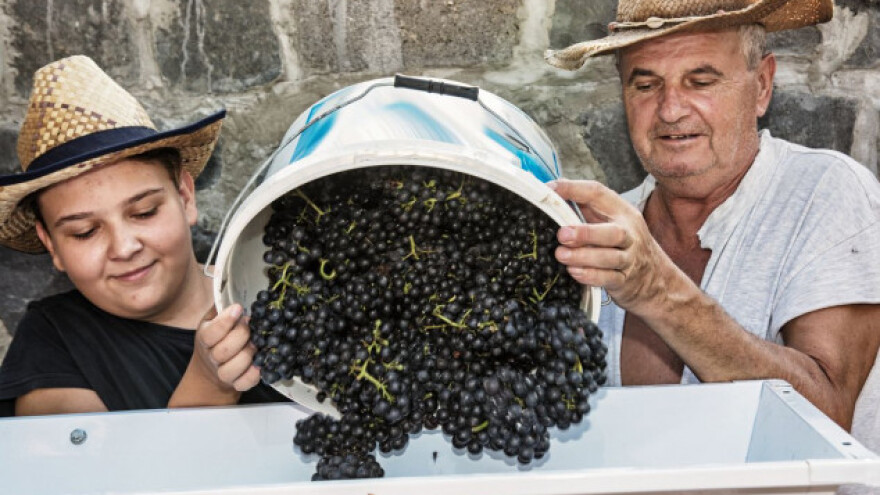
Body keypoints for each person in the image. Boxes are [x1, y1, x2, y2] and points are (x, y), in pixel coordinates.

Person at [544, 0, 880, 441]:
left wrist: (658, 291)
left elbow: (826, 417)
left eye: (700, 81)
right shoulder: (598, 232)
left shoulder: (824, 190)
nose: (670, 110)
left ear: (761, 85)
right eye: (645, 85)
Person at [0, 55, 287, 416]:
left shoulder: (282, 291)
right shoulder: (54, 339)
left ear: (185, 197)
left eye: (144, 212)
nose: (124, 248)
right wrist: (208, 385)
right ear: (50, 244)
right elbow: (84, 472)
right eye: (84, 232)